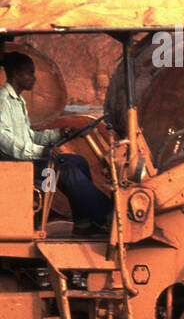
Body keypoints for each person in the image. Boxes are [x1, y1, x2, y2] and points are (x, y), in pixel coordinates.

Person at [0, 51, 112, 231]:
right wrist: (42, 151)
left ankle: (84, 223)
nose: (34, 79)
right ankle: (110, 216)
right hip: (19, 170)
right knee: (66, 171)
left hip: (30, 165)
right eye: (29, 73)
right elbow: (5, 142)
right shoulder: (3, 102)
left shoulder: (18, 100)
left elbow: (30, 136)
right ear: (15, 74)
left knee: (78, 161)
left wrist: (60, 133)